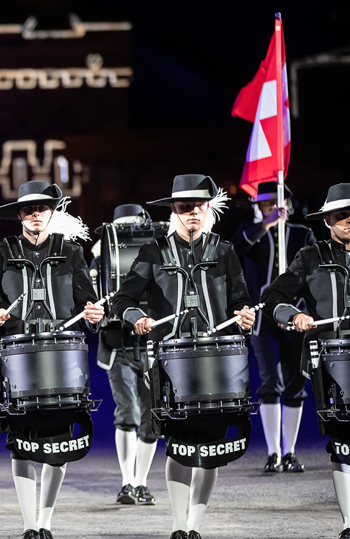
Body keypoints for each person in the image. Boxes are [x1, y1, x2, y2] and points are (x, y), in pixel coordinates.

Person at [112, 174, 256, 539]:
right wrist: (137, 318)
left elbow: (240, 300)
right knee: (178, 446)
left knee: (210, 447)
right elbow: (123, 300)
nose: (193, 212)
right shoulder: (153, 252)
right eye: (184, 207)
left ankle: (193, 526)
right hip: (170, 364)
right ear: (173, 211)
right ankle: (178, 525)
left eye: (199, 206)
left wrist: (244, 314)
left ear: (208, 209)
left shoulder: (223, 251)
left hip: (217, 363)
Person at [0, 180, 104, 539]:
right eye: (28, 209)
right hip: (16, 361)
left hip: (64, 360)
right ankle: (28, 525)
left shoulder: (70, 252)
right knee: (20, 444)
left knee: (59, 443)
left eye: (42, 208)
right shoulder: (1, 250)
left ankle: (46, 522)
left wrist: (94, 316)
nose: (36, 214)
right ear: (19, 215)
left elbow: (89, 305)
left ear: (52, 212)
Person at [260, 182, 350, 539]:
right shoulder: (310, 256)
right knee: (343, 442)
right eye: (341, 215)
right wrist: (293, 316)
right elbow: (273, 297)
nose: (348, 221)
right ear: (327, 220)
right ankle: (348, 522)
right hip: (332, 363)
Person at [232, 182, 315, 473]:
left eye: (274, 203)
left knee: (295, 382)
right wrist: (266, 224)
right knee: (270, 382)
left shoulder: (302, 234)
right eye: (264, 204)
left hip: (296, 316)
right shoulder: (249, 233)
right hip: (263, 319)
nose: (270, 208)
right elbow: (238, 248)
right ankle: (273, 452)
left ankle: (290, 451)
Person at [93, 204, 161, 506]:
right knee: (128, 412)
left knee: (151, 417)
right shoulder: (100, 255)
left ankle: (142, 482)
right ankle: (127, 482)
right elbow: (91, 298)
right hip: (117, 344)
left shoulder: (158, 252)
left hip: (151, 343)